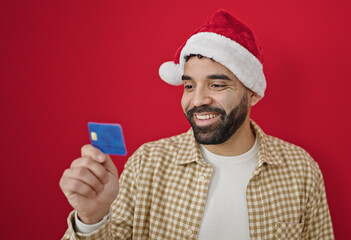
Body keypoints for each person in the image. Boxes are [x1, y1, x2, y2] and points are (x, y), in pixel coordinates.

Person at [60, 9, 334, 240]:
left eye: (216, 84)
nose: (197, 99)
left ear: (252, 93)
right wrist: (92, 219)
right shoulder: (147, 164)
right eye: (189, 85)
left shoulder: (301, 170)